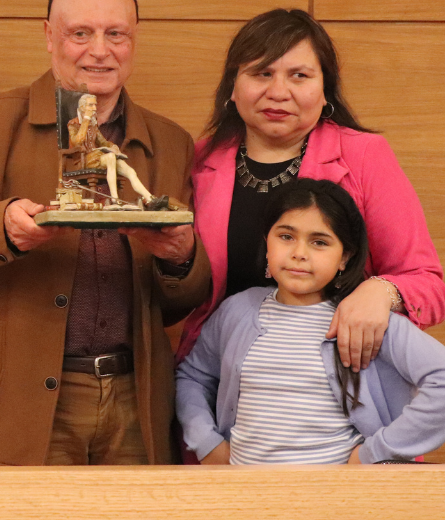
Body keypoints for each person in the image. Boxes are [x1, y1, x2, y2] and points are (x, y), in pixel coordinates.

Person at [0, 0, 211, 466]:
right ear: (49, 37)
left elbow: (181, 301)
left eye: (116, 34)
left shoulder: (170, 143)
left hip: (133, 402)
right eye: (80, 34)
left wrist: (180, 258)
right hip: (13, 403)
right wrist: (2, 227)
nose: (99, 50)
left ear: (134, 39)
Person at [178, 9, 444, 374]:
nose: (278, 92)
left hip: (333, 384)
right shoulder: (199, 159)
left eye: (299, 76)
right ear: (233, 87)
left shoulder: (364, 156)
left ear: (324, 89)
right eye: (262, 73)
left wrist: (380, 292)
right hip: (221, 376)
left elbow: (427, 285)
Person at [176, 179, 445, 464]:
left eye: (319, 242)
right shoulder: (237, 311)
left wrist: (377, 452)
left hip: (338, 501)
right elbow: (192, 377)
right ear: (267, 241)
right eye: (286, 236)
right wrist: (205, 442)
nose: (299, 253)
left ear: (345, 257)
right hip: (246, 498)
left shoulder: (367, 320)